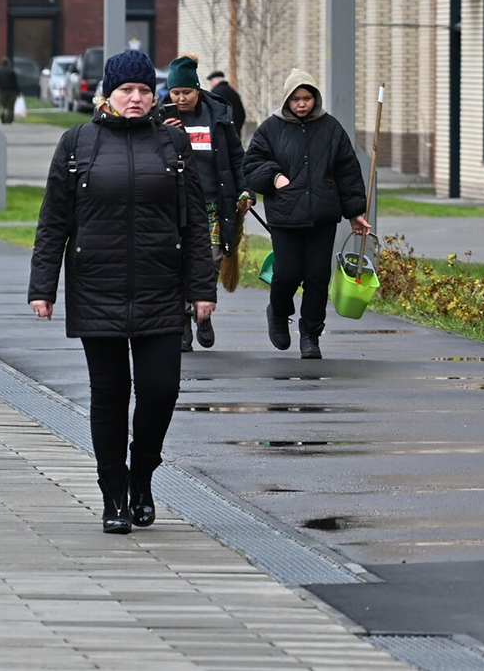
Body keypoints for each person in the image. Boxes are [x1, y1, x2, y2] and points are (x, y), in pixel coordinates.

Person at [28, 51, 217, 534]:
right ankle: (114, 494)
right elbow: (53, 221)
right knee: (109, 396)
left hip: (160, 287)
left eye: (143, 91)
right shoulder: (77, 143)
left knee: (161, 390)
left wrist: (201, 288)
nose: (136, 98)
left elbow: (196, 223)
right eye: (126, 91)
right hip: (98, 289)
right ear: (107, 95)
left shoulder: (173, 144)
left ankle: (142, 476)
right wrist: (42, 287)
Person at [243, 69, 369, 360]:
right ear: (287, 99)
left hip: (322, 216)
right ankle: (279, 312)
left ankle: (311, 335)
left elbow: (347, 172)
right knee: (286, 274)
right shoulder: (270, 129)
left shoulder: (331, 128)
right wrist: (275, 178)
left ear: (316, 98)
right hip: (285, 215)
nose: (302, 104)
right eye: (296, 99)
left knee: (316, 277)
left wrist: (355, 213)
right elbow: (252, 164)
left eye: (308, 98)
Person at [161, 54, 254, 350]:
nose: (180, 98)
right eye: (175, 93)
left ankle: (203, 310)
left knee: (211, 259)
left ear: (198, 90)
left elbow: (236, 158)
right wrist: (165, 135)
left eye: (186, 92)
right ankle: (184, 316)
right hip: (175, 207)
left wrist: (247, 191)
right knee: (177, 263)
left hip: (213, 204)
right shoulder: (159, 118)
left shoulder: (217, 116)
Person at [206, 70, 247, 136]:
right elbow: (242, 113)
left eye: (211, 81)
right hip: (235, 131)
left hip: (222, 133)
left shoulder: (215, 92)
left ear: (216, 80)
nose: (210, 83)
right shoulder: (233, 92)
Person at [0, 56, 19, 124]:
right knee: (10, 106)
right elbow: (15, 83)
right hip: (11, 91)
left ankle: (2, 118)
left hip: (2, 91)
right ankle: (9, 120)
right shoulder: (11, 71)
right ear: (8, 63)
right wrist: (18, 91)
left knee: (2, 105)